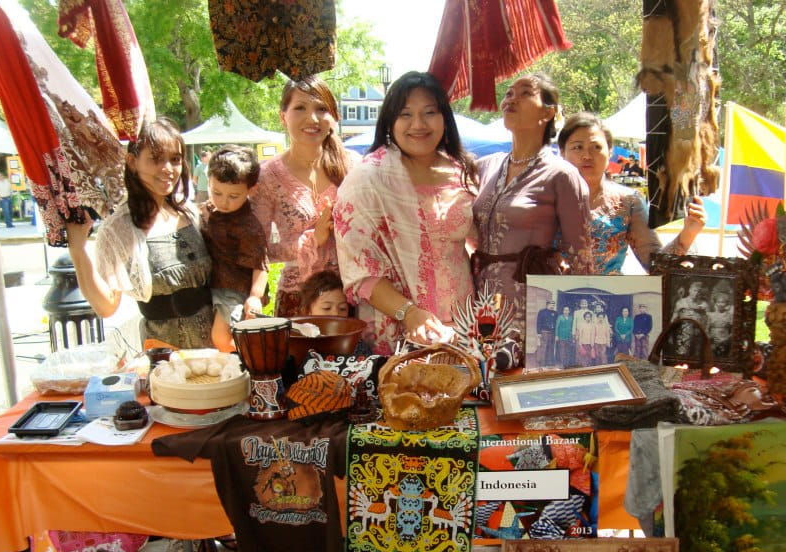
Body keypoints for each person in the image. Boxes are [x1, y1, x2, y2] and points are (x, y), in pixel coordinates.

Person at [335, 71, 477, 354]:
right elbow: (358, 271)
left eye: (429, 112)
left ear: (444, 118)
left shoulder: (461, 172)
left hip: (463, 326)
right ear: (390, 120)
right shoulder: (368, 179)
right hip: (398, 329)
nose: (418, 124)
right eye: (406, 114)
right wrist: (410, 314)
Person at [67, 117, 213, 349]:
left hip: (216, 354)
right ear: (132, 162)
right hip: (166, 358)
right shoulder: (119, 229)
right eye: (155, 159)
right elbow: (106, 307)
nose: (168, 169)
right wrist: (78, 251)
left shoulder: (191, 213)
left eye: (174, 160)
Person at [471, 73, 589, 347]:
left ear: (548, 112)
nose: (511, 98)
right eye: (509, 93)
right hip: (480, 296)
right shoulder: (486, 166)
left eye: (525, 93)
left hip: (529, 302)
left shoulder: (561, 174)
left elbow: (580, 258)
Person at [557, 112, 706, 275]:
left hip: (608, 297)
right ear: (562, 152)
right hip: (548, 297)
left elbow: (656, 266)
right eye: (577, 147)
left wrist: (687, 234)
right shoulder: (543, 198)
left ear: (610, 153)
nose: (586, 155)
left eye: (596, 147)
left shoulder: (629, 202)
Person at [252, 77, 351, 318]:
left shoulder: (354, 167)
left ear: (334, 117)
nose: (312, 118)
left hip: (347, 300)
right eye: (300, 108)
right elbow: (259, 251)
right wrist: (312, 239)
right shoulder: (267, 176)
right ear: (282, 116)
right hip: (297, 301)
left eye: (321, 109)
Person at [200, 145, 269, 352]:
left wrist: (255, 296)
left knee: (221, 338)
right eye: (217, 192)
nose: (224, 202)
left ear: (251, 190)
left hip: (233, 288)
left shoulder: (248, 225)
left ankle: (254, 355)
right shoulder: (208, 209)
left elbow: (261, 264)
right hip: (210, 284)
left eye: (233, 196)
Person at [672, 280, 710, 357]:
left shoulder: (704, 304)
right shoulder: (681, 302)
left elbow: (708, 319)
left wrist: (706, 332)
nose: (696, 293)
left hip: (699, 332)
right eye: (694, 290)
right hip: (684, 333)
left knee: (697, 355)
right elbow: (674, 318)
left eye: (698, 291)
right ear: (689, 290)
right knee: (683, 355)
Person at [706, 290, 733, 358]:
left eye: (723, 302)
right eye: (718, 302)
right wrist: (710, 337)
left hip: (725, 342)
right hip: (712, 342)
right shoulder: (710, 315)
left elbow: (733, 331)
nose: (720, 304)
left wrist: (725, 339)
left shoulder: (729, 316)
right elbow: (706, 329)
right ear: (715, 303)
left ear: (726, 304)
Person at [536, 298, 557, 366]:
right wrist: (538, 332)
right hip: (544, 332)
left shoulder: (555, 313)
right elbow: (538, 322)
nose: (552, 306)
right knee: (544, 348)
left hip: (552, 333)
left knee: (550, 348)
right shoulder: (542, 312)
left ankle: (549, 362)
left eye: (553, 305)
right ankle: (542, 363)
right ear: (547, 304)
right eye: (551, 304)